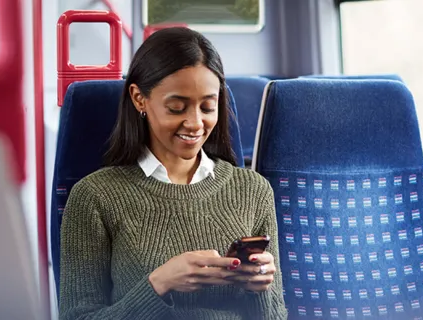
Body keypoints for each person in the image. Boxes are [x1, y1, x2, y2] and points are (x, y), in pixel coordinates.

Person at [59, 27, 287, 320]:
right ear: (139, 99)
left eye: (207, 107)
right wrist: (159, 284)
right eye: (177, 108)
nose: (195, 123)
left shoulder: (253, 190)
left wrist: (260, 289)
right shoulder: (95, 197)